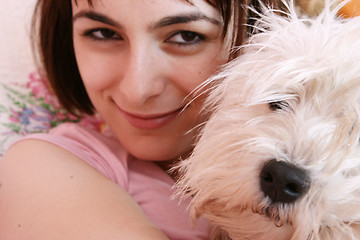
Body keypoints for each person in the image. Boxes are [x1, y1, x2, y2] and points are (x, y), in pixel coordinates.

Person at [0, 0, 276, 239]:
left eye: (185, 37)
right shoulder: (43, 166)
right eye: (103, 33)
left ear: (260, 33)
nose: (136, 91)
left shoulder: (307, 171)